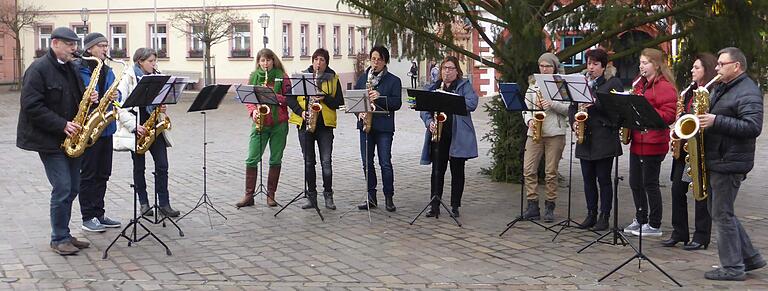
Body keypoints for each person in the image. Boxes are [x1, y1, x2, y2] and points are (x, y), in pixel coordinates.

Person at [17, 27, 96, 255]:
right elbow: (31, 106)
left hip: (72, 138)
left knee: (73, 187)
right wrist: (62, 124)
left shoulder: (70, 67)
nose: (74, 49)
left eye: (74, 44)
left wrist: (89, 98)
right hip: (49, 139)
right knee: (62, 187)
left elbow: (76, 100)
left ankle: (66, 234)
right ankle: (58, 238)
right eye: (69, 45)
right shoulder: (38, 69)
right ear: (54, 44)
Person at [700, 47, 764, 281]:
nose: (716, 68)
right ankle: (750, 257)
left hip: (730, 160)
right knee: (718, 210)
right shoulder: (724, 87)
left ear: (736, 66)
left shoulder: (748, 91)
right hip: (719, 157)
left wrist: (716, 121)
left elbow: (752, 127)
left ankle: (733, 267)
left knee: (722, 214)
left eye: (721, 64)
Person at [115, 47, 181, 218]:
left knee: (162, 165)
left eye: (154, 61)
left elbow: (162, 99)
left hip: (154, 126)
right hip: (137, 128)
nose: (154, 64)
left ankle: (164, 204)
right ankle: (143, 204)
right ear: (140, 62)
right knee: (139, 168)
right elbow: (119, 107)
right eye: (150, 61)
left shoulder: (157, 77)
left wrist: (163, 106)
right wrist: (133, 126)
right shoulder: (127, 78)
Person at [662, 53, 715, 250]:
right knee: (677, 189)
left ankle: (701, 236)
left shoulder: (711, 91)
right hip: (684, 148)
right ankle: (679, 232)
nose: (692, 70)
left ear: (706, 70)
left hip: (700, 147)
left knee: (700, 191)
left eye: (697, 68)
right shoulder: (689, 92)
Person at [623, 48, 677, 237]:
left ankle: (654, 224)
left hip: (654, 142)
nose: (641, 66)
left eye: (645, 62)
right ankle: (641, 217)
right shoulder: (641, 84)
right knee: (635, 182)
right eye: (640, 62)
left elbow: (669, 115)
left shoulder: (665, 86)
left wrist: (646, 113)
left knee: (649, 183)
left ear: (656, 64)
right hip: (638, 139)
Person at [569, 48, 623, 231]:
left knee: (604, 179)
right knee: (588, 179)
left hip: (604, 139)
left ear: (604, 66)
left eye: (595, 64)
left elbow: (615, 109)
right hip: (586, 138)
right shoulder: (582, 83)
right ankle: (591, 213)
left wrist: (594, 102)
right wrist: (573, 123)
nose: (590, 68)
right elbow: (572, 106)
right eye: (589, 63)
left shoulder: (613, 83)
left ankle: (604, 215)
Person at [419, 56, 478, 218]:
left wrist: (451, 101)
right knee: (437, 170)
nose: (447, 72)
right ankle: (435, 205)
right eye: (444, 68)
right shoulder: (435, 87)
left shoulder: (463, 86)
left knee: (457, 171)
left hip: (458, 135)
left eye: (451, 68)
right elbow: (423, 108)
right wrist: (429, 121)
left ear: (457, 71)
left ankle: (455, 205)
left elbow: (472, 103)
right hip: (439, 134)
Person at [76, 32, 123, 232]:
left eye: (106, 45)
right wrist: (89, 94)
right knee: (89, 174)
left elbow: (117, 93)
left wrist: (115, 94)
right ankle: (88, 216)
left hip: (105, 128)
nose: (105, 49)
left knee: (103, 173)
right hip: (88, 127)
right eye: (101, 46)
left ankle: (99, 213)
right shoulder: (80, 69)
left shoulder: (107, 69)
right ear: (89, 49)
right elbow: (77, 93)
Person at [287, 48, 344, 210]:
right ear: (312, 61)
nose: (318, 63)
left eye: (322, 60)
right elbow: (290, 98)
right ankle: (311, 197)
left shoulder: (333, 78)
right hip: (305, 124)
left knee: (326, 162)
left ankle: (328, 195)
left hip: (325, 126)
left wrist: (325, 98)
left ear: (327, 63)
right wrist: (301, 112)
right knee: (308, 162)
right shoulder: (303, 77)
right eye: (316, 59)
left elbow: (339, 101)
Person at [235, 48, 291, 208]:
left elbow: (289, 99)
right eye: (262, 61)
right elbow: (248, 99)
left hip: (279, 123)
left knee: (275, 158)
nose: (265, 64)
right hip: (260, 122)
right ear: (258, 62)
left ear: (273, 61)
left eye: (268, 60)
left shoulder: (282, 76)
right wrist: (253, 112)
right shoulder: (254, 76)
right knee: (252, 158)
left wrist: (272, 95)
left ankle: (270, 195)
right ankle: (248, 195)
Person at [521, 52, 570, 223]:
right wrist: (528, 120)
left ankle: (550, 205)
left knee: (550, 172)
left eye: (547, 66)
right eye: (541, 66)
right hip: (535, 131)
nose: (544, 69)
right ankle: (532, 204)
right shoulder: (533, 85)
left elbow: (568, 109)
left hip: (555, 132)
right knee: (528, 169)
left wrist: (552, 104)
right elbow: (525, 108)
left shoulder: (561, 85)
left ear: (554, 67)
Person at [355, 45, 402, 212]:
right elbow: (355, 101)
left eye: (379, 59)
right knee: (367, 163)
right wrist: (359, 113)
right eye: (373, 59)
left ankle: (389, 197)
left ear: (385, 61)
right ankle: (371, 197)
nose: (375, 62)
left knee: (385, 163)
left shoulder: (394, 80)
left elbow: (397, 103)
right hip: (365, 126)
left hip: (384, 127)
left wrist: (380, 98)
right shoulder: (363, 79)